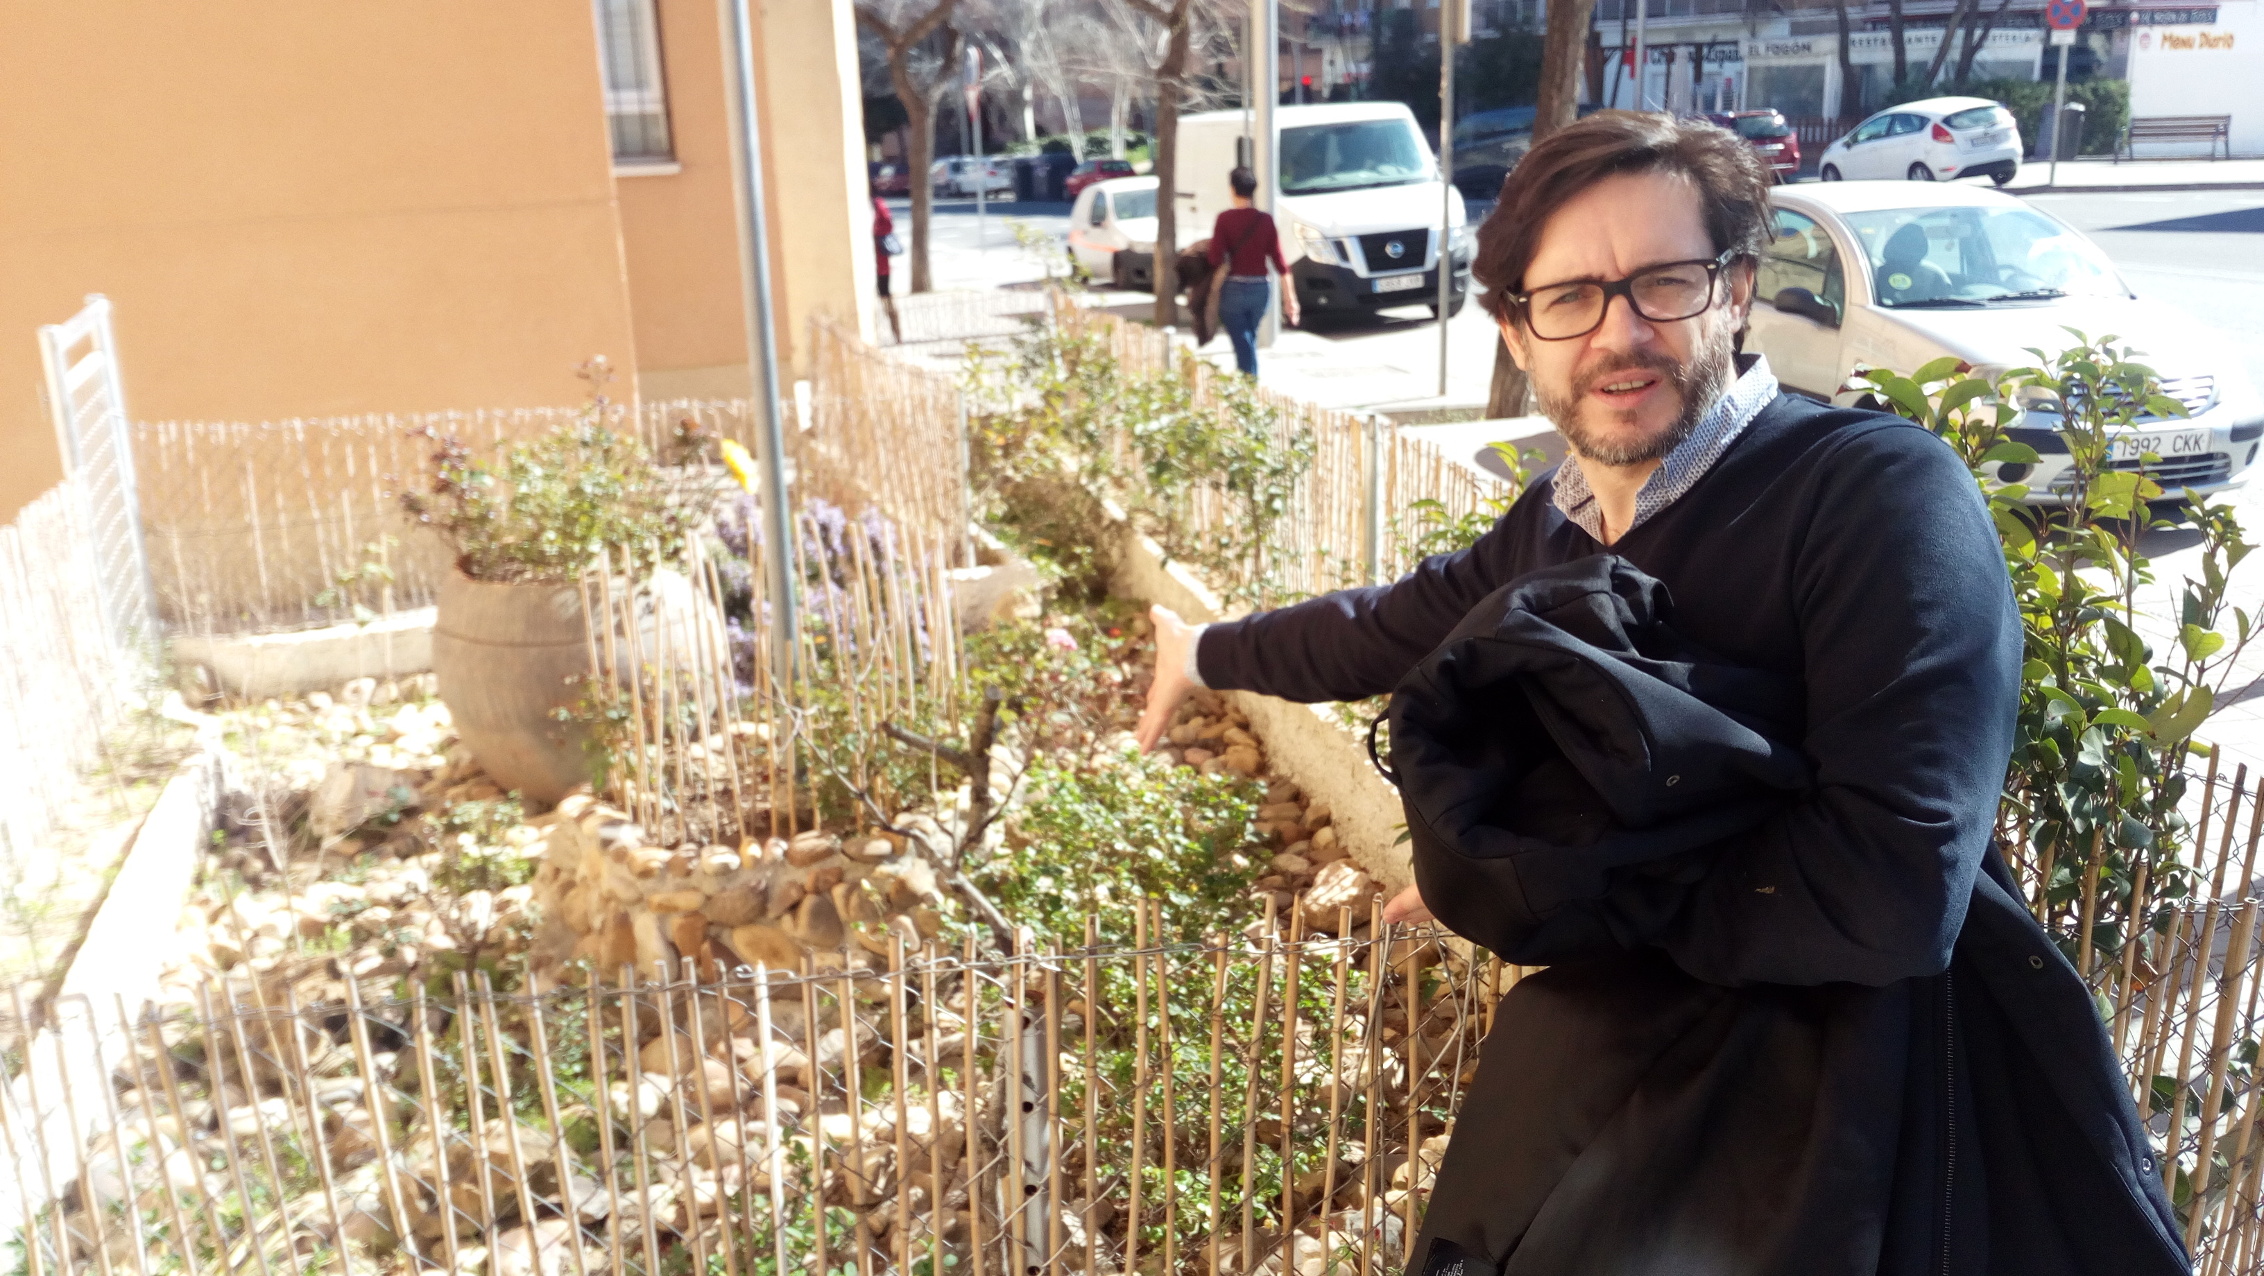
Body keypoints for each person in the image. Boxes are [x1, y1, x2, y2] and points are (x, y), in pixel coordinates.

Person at [1135, 112, 2186, 1275]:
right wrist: (1202, 652)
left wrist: (1552, 878)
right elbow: (1380, 629)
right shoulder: (1557, 525)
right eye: (1569, 297)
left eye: (1664, 282)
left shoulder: (1873, 497)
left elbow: (1891, 885)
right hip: (1632, 1088)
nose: (1618, 332)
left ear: (1733, 290)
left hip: (1861, 1135)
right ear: (1515, 329)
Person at [1207, 166, 1298, 376]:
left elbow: (1215, 258)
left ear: (1232, 189)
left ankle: (1249, 385)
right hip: (1260, 291)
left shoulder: (1224, 219)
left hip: (1233, 290)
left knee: (1243, 340)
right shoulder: (1265, 220)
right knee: (1248, 337)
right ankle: (1248, 382)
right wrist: (1290, 299)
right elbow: (1280, 262)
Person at [872, 194, 902, 344]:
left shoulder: (877, 204)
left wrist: (875, 231)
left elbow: (888, 225)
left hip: (880, 264)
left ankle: (897, 335)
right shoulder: (875, 204)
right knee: (881, 298)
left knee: (885, 297)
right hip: (876, 264)